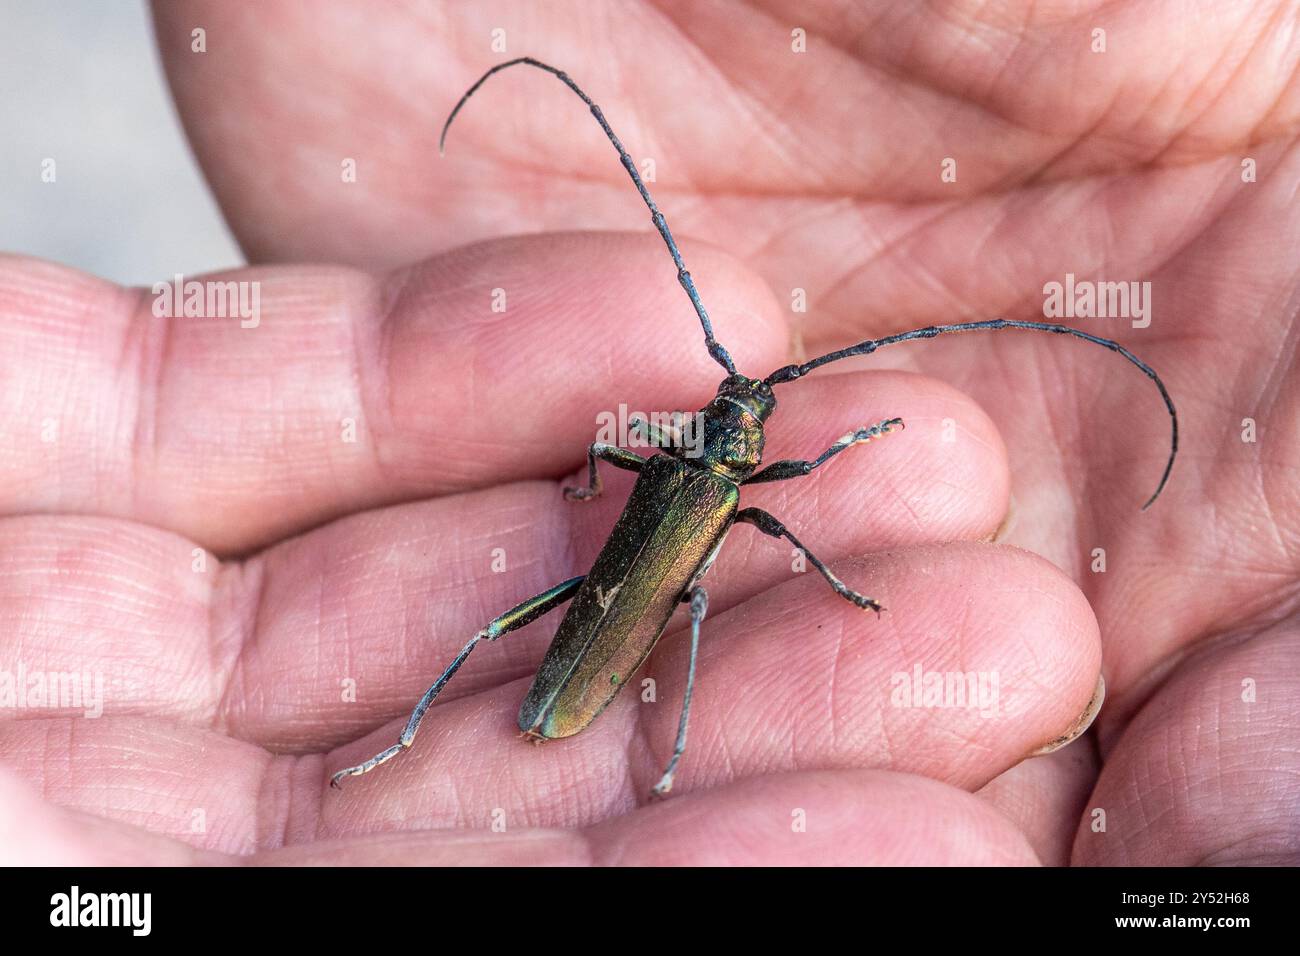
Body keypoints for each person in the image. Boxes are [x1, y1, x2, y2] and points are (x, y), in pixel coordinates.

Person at [0, 1, 1294, 865]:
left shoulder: (679, 467)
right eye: (747, 412)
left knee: (654, 609)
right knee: (641, 614)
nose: (747, 414)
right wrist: (826, 513)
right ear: (731, 435)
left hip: (615, 607)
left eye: (748, 414)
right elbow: (753, 481)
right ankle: (549, 745)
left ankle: (569, 743)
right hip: (615, 610)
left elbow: (653, 466)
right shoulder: (720, 482)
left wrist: (669, 486)